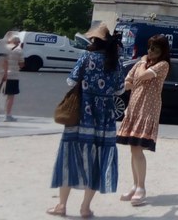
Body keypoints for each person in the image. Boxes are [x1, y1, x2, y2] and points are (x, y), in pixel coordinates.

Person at [48, 23, 124, 218]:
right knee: (98, 160)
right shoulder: (115, 61)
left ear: (94, 41)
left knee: (68, 157)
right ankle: (85, 208)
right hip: (104, 116)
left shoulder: (86, 56)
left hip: (82, 113)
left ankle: (62, 205)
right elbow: (120, 89)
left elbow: (71, 81)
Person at [116, 34, 171, 207]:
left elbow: (141, 76)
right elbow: (127, 82)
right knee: (133, 150)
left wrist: (141, 63)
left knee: (138, 149)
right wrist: (140, 66)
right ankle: (135, 185)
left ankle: (141, 187)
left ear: (162, 51)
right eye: (149, 47)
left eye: (155, 48)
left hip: (148, 110)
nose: (150, 51)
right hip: (134, 107)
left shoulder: (163, 65)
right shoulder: (143, 63)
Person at [3, 34, 24, 121]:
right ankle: (8, 115)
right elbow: (22, 64)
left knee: (0, 95)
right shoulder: (19, 50)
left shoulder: (4, 49)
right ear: (17, 42)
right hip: (13, 75)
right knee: (10, 96)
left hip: (3, 74)